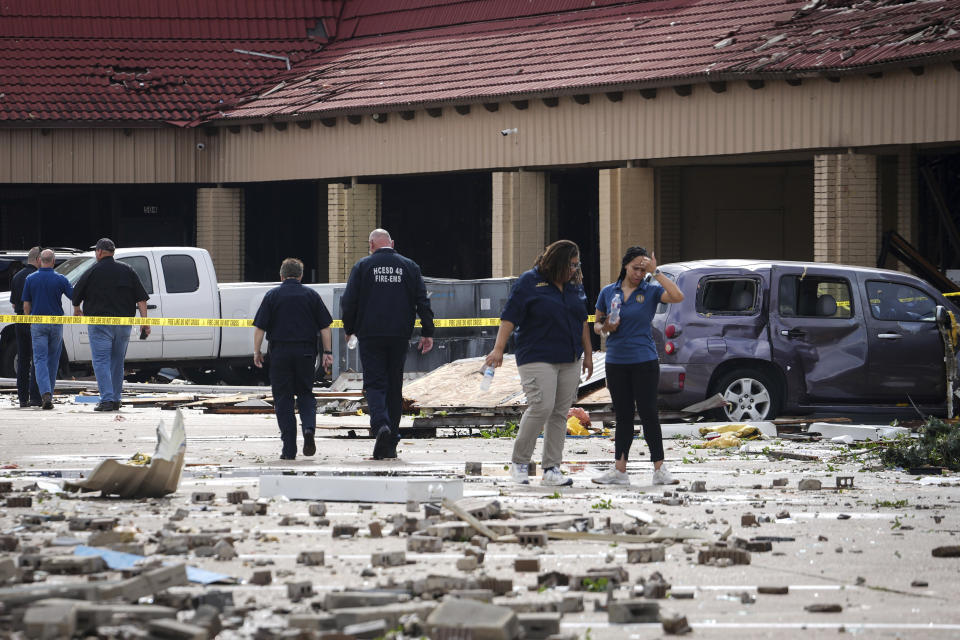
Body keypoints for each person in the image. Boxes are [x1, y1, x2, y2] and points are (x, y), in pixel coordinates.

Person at [484, 240, 594, 487]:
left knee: (559, 413)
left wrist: (588, 355)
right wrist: (498, 349)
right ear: (557, 262)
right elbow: (509, 317)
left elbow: (582, 321)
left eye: (577, 265)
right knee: (542, 406)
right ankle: (519, 463)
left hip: (570, 357)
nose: (574, 270)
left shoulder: (575, 285)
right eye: (571, 265)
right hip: (537, 355)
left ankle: (552, 469)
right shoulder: (529, 282)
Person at [591, 246, 684, 486]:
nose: (639, 274)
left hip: (644, 361)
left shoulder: (651, 290)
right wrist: (606, 328)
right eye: (635, 268)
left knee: (649, 413)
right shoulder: (608, 292)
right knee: (623, 416)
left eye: (643, 270)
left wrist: (657, 271)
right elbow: (596, 325)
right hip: (616, 361)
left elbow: (677, 296)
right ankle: (619, 470)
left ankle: (660, 469)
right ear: (625, 266)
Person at [341, 229, 435, 460]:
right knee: (394, 387)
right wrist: (427, 332)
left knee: (374, 383)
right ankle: (390, 443)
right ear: (392, 243)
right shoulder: (410, 266)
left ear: (371, 244)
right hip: (399, 335)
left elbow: (349, 301)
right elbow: (422, 301)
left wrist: (349, 329)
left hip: (371, 335)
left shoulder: (363, 266)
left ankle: (381, 425)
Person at [253, 258, 334, 460]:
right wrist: (327, 352)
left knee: (283, 399)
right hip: (306, 353)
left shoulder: (272, 295)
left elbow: (260, 327)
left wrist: (257, 351)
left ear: (281, 276)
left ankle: (289, 449)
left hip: (280, 353)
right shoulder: (311, 295)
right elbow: (325, 327)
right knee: (306, 394)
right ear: (300, 276)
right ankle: (308, 429)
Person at [71, 238, 150, 412]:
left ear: (99, 252)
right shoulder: (127, 270)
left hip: (100, 325)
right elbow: (141, 298)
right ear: (112, 252)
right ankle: (115, 399)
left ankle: (106, 399)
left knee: (101, 361)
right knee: (117, 362)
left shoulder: (92, 271)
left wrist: (77, 308)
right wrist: (145, 322)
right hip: (123, 325)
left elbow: (76, 293)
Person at [22, 250, 74, 410]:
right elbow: (74, 296)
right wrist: (78, 308)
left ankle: (45, 393)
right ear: (53, 261)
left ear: (39, 261)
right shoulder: (60, 279)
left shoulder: (30, 279)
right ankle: (48, 393)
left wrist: (29, 320)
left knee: (39, 360)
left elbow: (26, 305)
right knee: (53, 359)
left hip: (38, 323)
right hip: (56, 324)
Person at [9, 247, 41, 408]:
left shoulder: (17, 277)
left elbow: (14, 303)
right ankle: (35, 397)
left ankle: (22, 398)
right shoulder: (37, 277)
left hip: (20, 320)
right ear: (38, 260)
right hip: (35, 320)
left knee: (22, 359)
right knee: (37, 359)